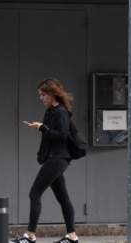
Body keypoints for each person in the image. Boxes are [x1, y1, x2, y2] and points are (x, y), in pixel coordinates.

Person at [10, 78, 80, 243]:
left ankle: (30, 235)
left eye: (43, 94)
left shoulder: (61, 111)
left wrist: (43, 128)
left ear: (52, 94)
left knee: (34, 194)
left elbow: (62, 135)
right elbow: (51, 134)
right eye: (40, 95)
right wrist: (40, 127)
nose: (40, 98)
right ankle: (72, 236)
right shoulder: (51, 110)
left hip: (57, 158)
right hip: (54, 158)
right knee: (63, 198)